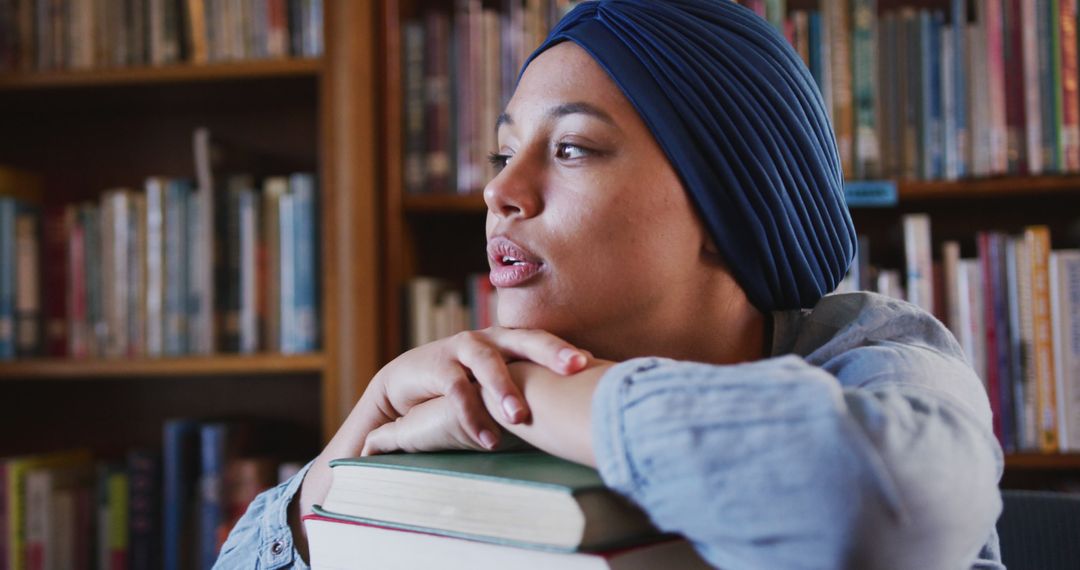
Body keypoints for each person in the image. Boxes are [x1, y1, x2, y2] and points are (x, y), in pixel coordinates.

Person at [216, 1, 1004, 568]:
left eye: (572, 150)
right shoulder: (457, 403)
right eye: (503, 154)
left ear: (728, 200)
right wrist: (358, 435)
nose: (500, 192)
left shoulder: (876, 350)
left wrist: (533, 390)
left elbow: (879, 505)